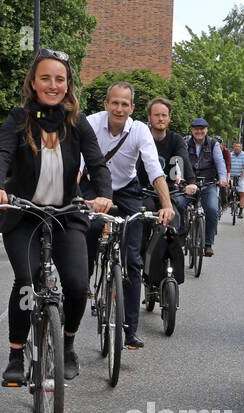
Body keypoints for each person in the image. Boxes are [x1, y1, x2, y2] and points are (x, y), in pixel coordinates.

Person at [0, 50, 112, 386]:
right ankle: (15, 354)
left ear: (68, 85)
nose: (53, 85)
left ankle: (67, 343)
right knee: (27, 282)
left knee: (77, 284)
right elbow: (0, 153)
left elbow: (97, 162)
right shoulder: (19, 118)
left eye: (60, 79)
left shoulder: (76, 121)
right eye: (46, 78)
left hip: (65, 214)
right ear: (33, 82)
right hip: (24, 215)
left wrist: (103, 194)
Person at [82, 82, 175, 350]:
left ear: (132, 108)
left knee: (132, 260)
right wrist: (73, 199)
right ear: (106, 104)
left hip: (126, 190)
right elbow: (78, 165)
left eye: (125, 104)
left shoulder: (139, 130)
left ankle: (130, 330)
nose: (119, 108)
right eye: (115, 103)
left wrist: (166, 205)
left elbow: (154, 169)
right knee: (88, 228)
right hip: (93, 186)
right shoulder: (90, 124)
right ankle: (84, 279)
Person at [139, 97, 194, 288]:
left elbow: (181, 160)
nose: (160, 119)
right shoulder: (143, 137)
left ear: (169, 118)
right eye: (157, 115)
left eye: (164, 115)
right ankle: (143, 254)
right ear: (149, 117)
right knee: (145, 212)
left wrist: (188, 181)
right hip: (146, 189)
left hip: (171, 189)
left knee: (178, 206)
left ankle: (175, 245)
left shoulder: (176, 140)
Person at [185, 118, 228, 256]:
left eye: (202, 128)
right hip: (188, 184)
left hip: (208, 183)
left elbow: (220, 162)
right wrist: (179, 178)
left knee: (212, 209)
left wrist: (222, 179)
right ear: (191, 130)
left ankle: (208, 243)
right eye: (196, 128)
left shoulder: (213, 144)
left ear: (206, 130)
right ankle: (180, 234)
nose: (199, 131)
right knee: (178, 204)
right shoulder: (185, 143)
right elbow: (180, 160)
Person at [228, 141, 244, 221]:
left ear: (241, 148)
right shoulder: (230, 155)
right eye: (235, 146)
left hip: (240, 176)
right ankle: (231, 202)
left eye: (239, 147)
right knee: (228, 189)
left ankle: (241, 211)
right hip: (231, 176)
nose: (237, 148)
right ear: (233, 147)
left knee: (242, 192)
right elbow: (227, 165)